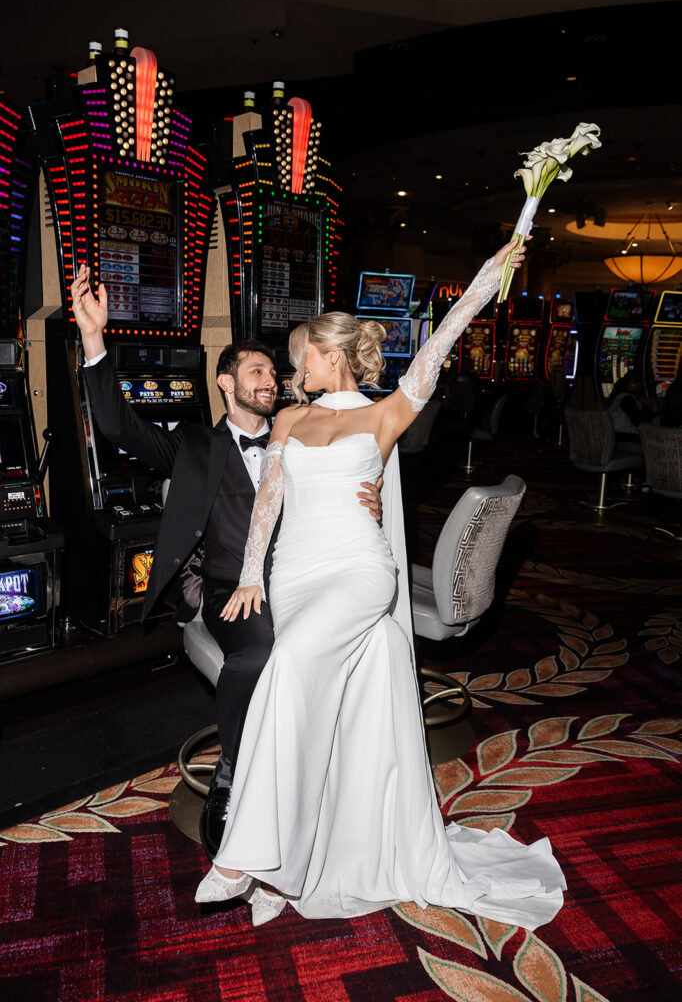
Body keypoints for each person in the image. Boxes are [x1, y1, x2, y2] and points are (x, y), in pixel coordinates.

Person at [195, 238, 566, 929]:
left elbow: (444, 339)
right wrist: (251, 575)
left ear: (330, 354)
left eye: (302, 351)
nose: (292, 363)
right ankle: (289, 857)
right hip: (296, 574)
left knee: (290, 665)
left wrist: (495, 271)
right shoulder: (289, 418)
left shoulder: (384, 414)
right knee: (291, 675)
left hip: (359, 572)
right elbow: (268, 499)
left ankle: (245, 858)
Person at [69, 265, 383, 861]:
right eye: (258, 371)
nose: (272, 380)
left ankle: (334, 779)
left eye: (274, 371)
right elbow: (114, 424)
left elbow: (358, 473)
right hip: (227, 589)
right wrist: (93, 338)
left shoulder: (305, 434)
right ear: (224, 383)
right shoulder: (193, 445)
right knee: (262, 649)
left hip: (303, 577)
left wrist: (371, 496)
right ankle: (233, 777)